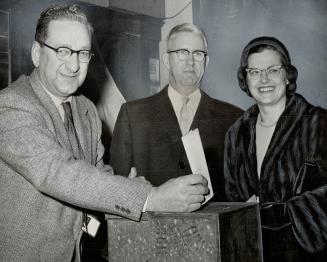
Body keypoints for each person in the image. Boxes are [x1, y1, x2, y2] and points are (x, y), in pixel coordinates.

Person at [0, 5, 209, 262]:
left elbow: (96, 175)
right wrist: (150, 198)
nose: (74, 65)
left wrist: (129, 187)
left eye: (83, 53)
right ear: (36, 53)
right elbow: (58, 172)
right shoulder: (11, 105)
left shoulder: (86, 109)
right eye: (63, 51)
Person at [110, 23, 243, 202]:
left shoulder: (233, 118)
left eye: (198, 53)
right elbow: (116, 190)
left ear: (206, 61)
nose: (190, 61)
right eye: (182, 52)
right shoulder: (133, 115)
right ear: (166, 60)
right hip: (151, 227)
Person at [224, 36, 327, 261]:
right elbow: (231, 197)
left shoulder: (318, 123)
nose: (263, 79)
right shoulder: (235, 134)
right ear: (245, 80)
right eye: (254, 72)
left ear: (287, 76)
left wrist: (282, 212)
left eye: (273, 70)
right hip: (252, 252)